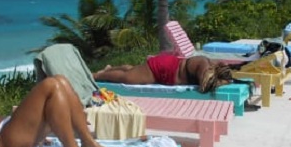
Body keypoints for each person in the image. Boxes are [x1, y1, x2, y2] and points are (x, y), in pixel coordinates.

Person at [93, 52, 243, 93]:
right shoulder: (203, 65)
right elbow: (205, 86)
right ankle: (97, 75)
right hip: (163, 69)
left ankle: (109, 69)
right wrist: (220, 82)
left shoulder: (208, 66)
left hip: (167, 70)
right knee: (128, 78)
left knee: (132, 71)